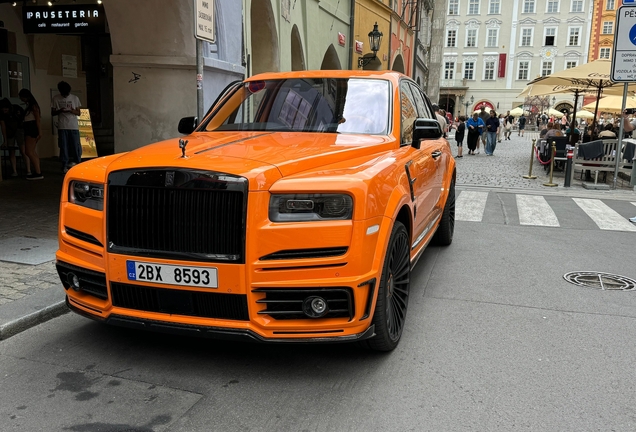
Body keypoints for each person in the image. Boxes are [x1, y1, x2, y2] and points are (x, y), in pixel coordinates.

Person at [51, 81, 82, 173]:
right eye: (63, 94)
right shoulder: (55, 98)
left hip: (73, 126)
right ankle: (64, 165)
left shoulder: (75, 98)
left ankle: (78, 163)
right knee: (63, 146)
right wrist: (60, 110)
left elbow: (79, 113)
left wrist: (72, 111)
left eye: (66, 94)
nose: (65, 96)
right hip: (62, 126)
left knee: (75, 145)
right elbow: (52, 113)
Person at [0, 98, 29, 177]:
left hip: (19, 130)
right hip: (9, 131)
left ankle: (28, 170)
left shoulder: (16, 109)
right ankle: (14, 171)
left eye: (5, 108)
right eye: (2, 109)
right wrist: (5, 140)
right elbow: (3, 127)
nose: (4, 110)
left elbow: (24, 120)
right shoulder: (2, 114)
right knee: (11, 150)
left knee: (23, 150)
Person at [18, 89, 43, 180]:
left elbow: (38, 120)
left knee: (29, 151)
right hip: (30, 128)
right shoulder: (30, 106)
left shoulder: (33, 106)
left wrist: (40, 132)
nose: (21, 99)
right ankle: (37, 171)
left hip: (31, 128)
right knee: (31, 151)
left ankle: (38, 172)